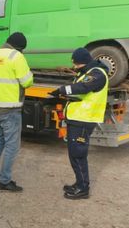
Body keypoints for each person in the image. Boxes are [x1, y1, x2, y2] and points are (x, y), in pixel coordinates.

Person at [49, 48, 109, 199]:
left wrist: (63, 89)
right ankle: (79, 183)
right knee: (74, 153)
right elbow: (81, 92)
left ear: (82, 61)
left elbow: (83, 87)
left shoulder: (97, 73)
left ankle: (83, 189)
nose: (75, 67)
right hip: (77, 118)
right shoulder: (86, 73)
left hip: (84, 120)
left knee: (78, 154)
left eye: (76, 64)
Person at [0, 32, 34, 192]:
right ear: (20, 47)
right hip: (10, 109)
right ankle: (4, 181)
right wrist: (31, 75)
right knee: (13, 146)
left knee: (0, 139)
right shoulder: (16, 57)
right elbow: (27, 82)